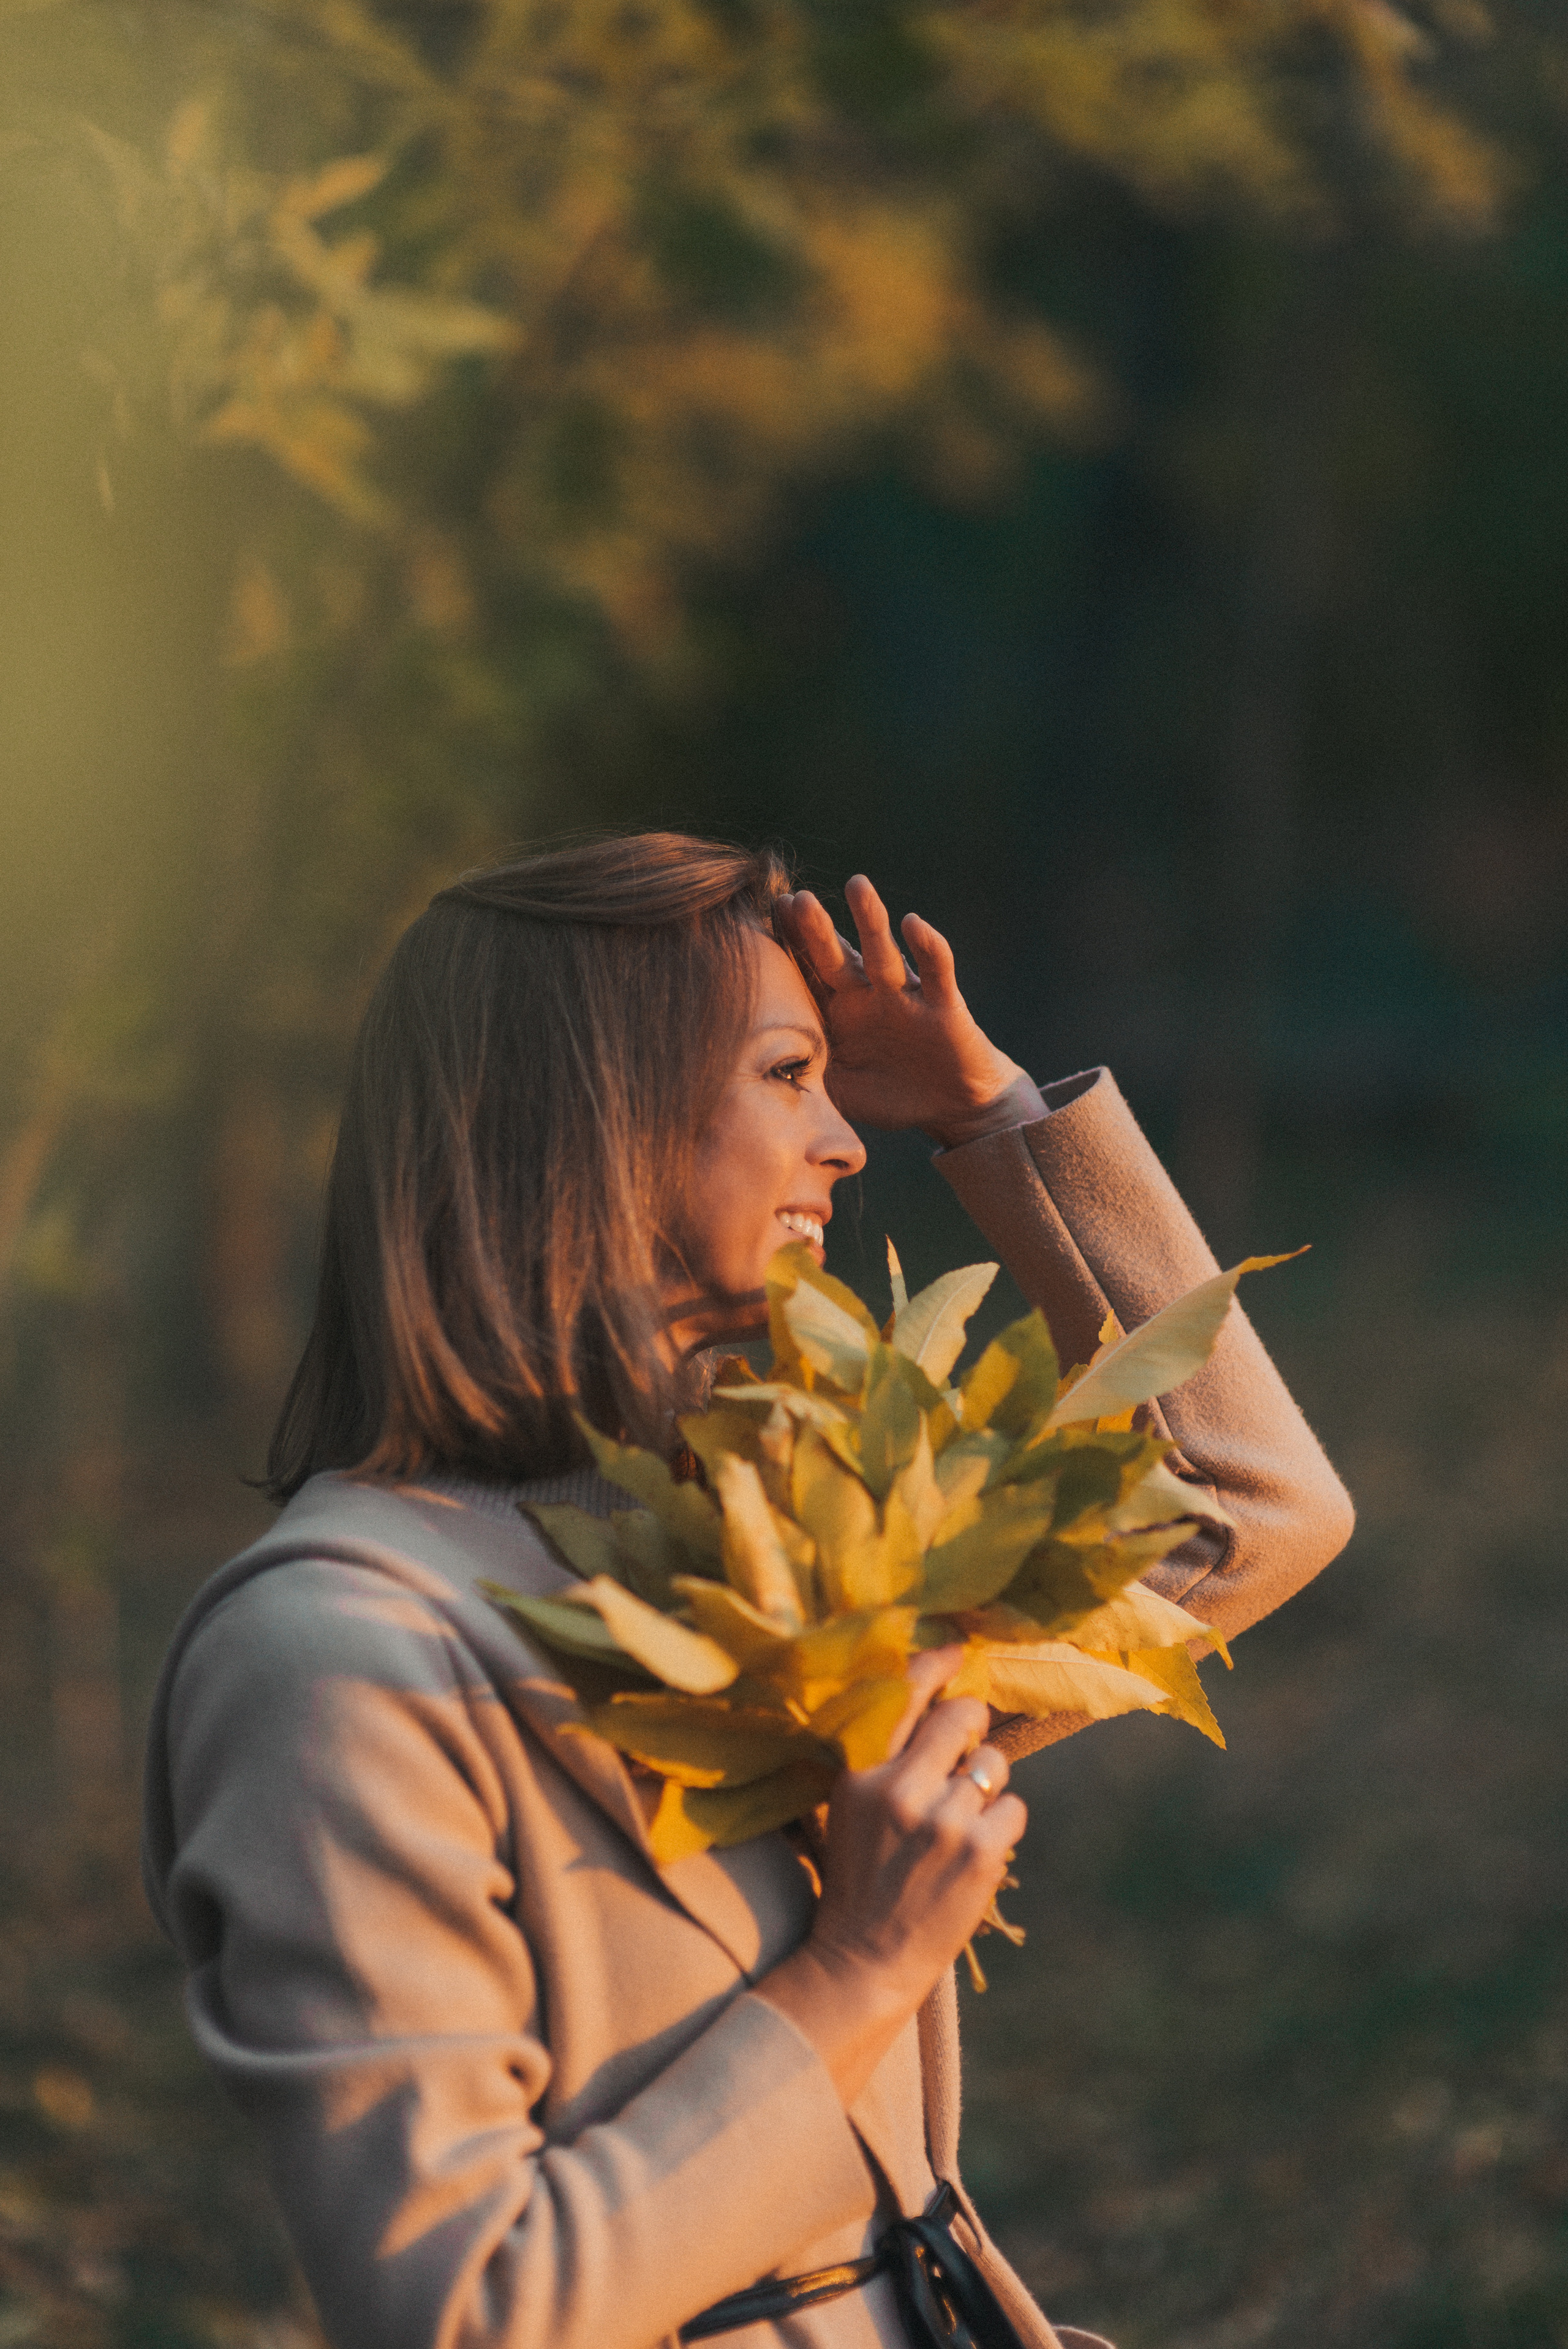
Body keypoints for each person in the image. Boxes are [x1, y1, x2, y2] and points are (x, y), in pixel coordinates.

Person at [143, 834, 1354, 2349]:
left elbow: (1244, 1505)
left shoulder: (780, 1550)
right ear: (589, 1122)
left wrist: (994, 1112)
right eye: (788, 1075)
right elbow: (455, 2312)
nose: (847, 1144)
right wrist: (856, 1968)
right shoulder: (332, 1654)